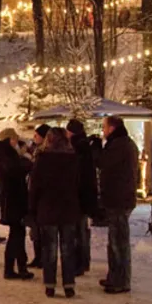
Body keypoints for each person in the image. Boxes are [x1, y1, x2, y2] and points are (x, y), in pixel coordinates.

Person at [29, 128, 80, 298]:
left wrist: (32, 208)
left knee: (49, 248)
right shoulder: (73, 159)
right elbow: (80, 185)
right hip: (68, 208)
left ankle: (50, 284)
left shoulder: (42, 160)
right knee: (68, 248)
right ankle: (69, 283)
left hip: (48, 207)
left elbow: (35, 186)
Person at [96, 116, 139, 295]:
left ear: (112, 128)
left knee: (118, 241)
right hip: (119, 198)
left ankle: (121, 280)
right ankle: (115, 276)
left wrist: (97, 149)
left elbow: (103, 162)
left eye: (104, 127)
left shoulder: (119, 145)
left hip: (119, 199)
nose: (103, 131)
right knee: (114, 240)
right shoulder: (122, 144)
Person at [0, 128, 33, 280]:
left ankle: (15, 267)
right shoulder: (6, 154)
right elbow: (14, 171)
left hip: (12, 199)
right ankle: (15, 268)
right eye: (15, 138)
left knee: (17, 234)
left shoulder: (4, 153)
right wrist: (26, 161)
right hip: (13, 199)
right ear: (9, 139)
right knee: (17, 234)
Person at [66, 118, 99, 278]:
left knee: (77, 231)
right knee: (82, 231)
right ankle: (83, 262)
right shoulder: (86, 147)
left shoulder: (77, 148)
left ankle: (78, 263)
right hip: (86, 195)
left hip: (79, 195)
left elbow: (77, 175)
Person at [27, 124, 51, 269]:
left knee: (41, 229)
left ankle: (43, 257)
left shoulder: (45, 153)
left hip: (42, 196)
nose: (33, 138)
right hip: (34, 193)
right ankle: (38, 256)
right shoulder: (36, 151)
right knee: (35, 228)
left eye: (36, 135)